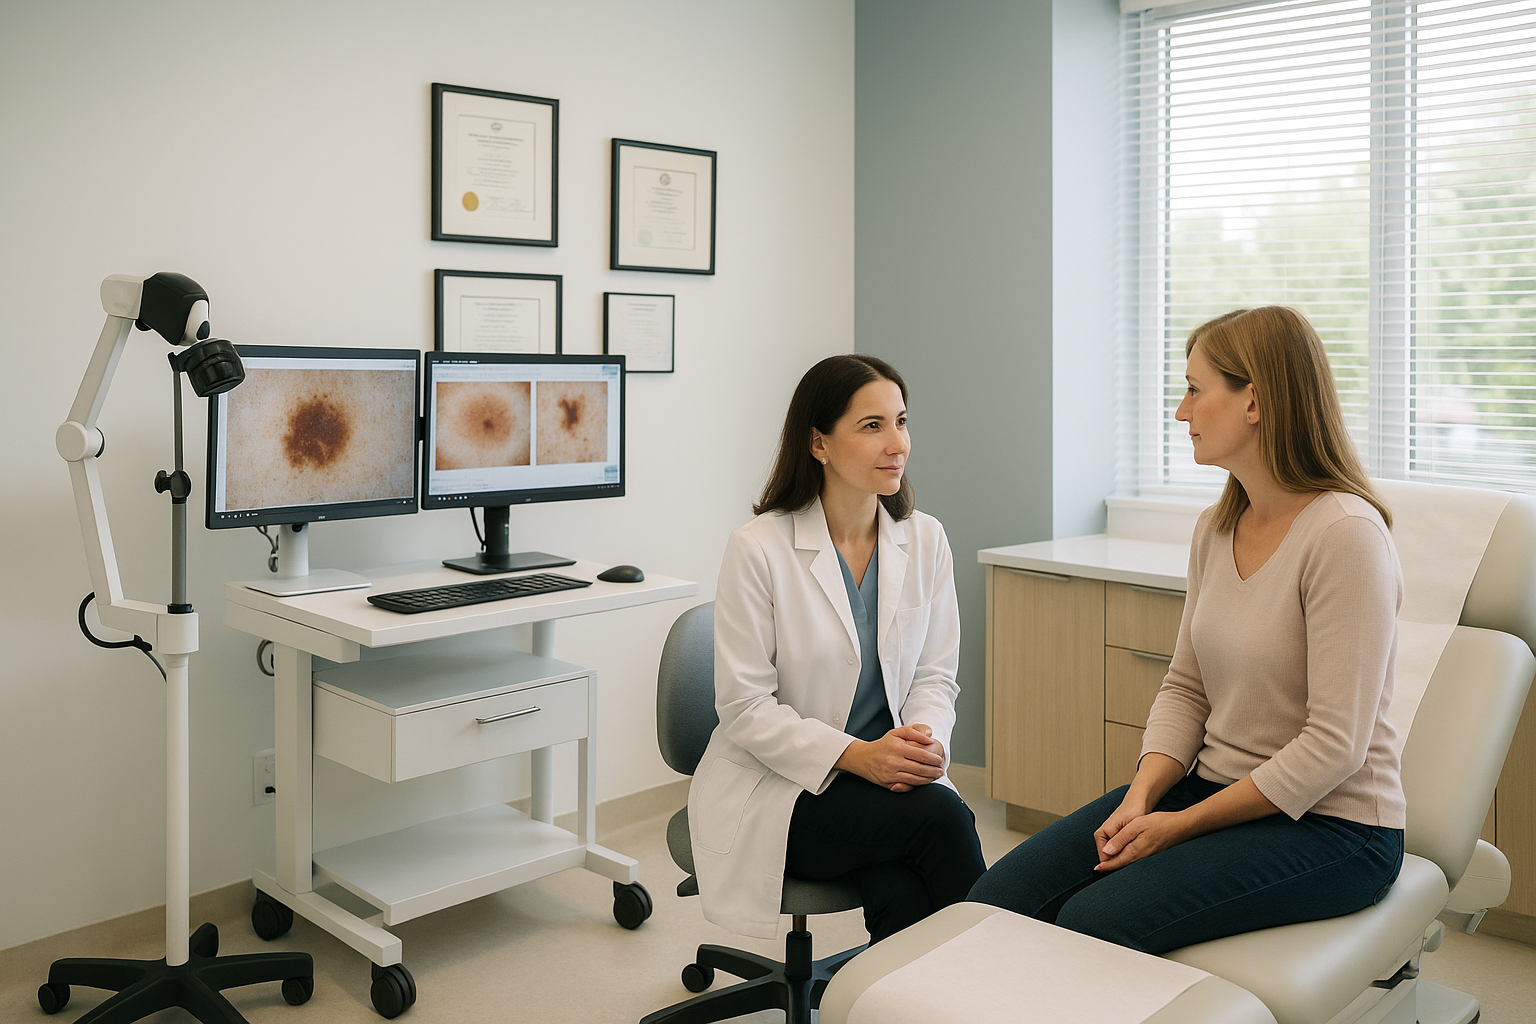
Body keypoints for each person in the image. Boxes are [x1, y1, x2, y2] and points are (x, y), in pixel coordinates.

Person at [968, 306, 1406, 954]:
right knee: (995, 903)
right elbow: (1186, 688)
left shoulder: (1346, 537)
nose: (1181, 411)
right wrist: (1143, 797)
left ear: (1253, 400)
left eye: (1196, 390)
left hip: (1333, 826)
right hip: (1210, 786)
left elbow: (1335, 748)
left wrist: (1179, 827)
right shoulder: (1217, 528)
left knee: (1092, 923)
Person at [688, 353, 986, 944]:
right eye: (872, 426)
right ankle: (1001, 981)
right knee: (940, 819)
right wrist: (859, 757)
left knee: (900, 889)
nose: (896, 443)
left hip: (890, 784)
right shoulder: (758, 548)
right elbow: (745, 708)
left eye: (901, 422)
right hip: (784, 787)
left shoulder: (925, 539)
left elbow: (935, 678)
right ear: (819, 443)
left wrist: (923, 746)